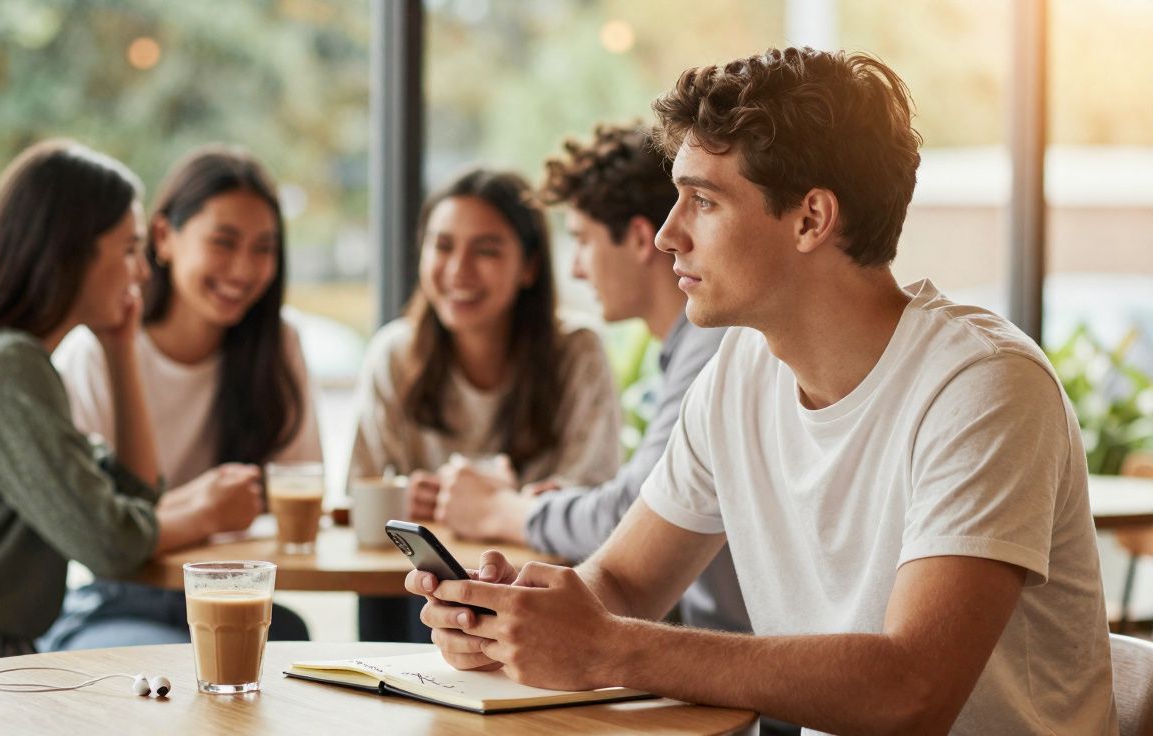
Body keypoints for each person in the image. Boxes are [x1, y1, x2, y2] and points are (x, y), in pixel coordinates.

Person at [407, 47, 1117, 735]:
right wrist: (508, 619)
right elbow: (622, 584)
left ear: (811, 218)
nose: (664, 236)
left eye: (702, 202)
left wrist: (611, 648)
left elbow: (912, 692)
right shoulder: (739, 375)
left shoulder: (982, 386)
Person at [0, 140, 256, 696]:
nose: (142, 271)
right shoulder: (7, 364)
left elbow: (136, 495)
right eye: (129, 249)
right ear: (71, 252)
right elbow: (108, 545)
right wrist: (204, 514)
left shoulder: (14, 360)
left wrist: (119, 349)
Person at [434, 123, 749, 634]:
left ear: (639, 239)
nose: (577, 269)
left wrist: (502, 510)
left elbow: (627, 511)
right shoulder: (680, 351)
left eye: (581, 240)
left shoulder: (715, 347)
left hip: (730, 664)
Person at [38, 145, 317, 650]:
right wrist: (203, 508)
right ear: (163, 238)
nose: (244, 269)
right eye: (224, 242)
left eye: (263, 248)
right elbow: (94, 530)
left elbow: (295, 488)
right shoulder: (99, 352)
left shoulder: (278, 346)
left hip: (236, 598)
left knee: (295, 650)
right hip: (119, 600)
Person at [351, 167, 621, 640]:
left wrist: (505, 503)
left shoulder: (577, 352)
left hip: (534, 594)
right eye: (442, 246)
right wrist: (404, 498)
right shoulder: (394, 354)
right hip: (418, 591)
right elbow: (361, 494)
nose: (458, 270)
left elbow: (594, 498)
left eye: (487, 250)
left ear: (529, 267)